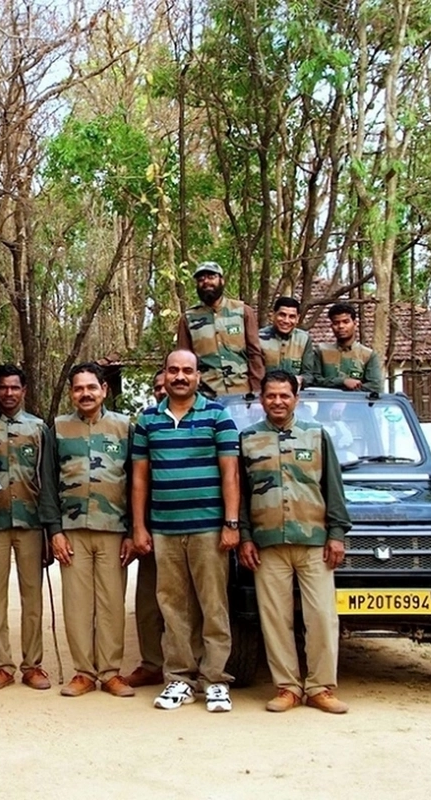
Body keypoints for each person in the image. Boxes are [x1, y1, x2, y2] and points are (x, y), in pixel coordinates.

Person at [132, 349, 241, 712]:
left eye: (187, 371)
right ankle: (179, 678)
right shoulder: (147, 420)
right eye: (173, 370)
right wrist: (139, 527)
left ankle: (215, 680)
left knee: (213, 604)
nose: (180, 376)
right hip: (164, 529)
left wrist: (231, 523)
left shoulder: (217, 416)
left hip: (209, 528)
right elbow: (140, 478)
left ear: (198, 376)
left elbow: (230, 473)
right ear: (164, 374)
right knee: (173, 606)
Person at [238, 370, 351, 714]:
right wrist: (244, 537)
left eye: (284, 395)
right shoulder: (247, 439)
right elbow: (240, 494)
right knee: (275, 619)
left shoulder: (317, 435)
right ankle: (287, 686)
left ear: (296, 399)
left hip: (314, 542)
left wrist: (336, 534)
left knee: (320, 616)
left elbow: (333, 487)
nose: (278, 401)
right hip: (267, 544)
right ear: (261, 400)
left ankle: (320, 687)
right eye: (271, 396)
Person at [44, 363, 135, 699]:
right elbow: (49, 483)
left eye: (91, 388)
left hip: (114, 529)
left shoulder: (124, 427)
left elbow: (137, 482)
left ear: (104, 390)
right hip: (72, 531)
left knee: (112, 603)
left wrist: (133, 531)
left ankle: (110, 672)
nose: (85, 394)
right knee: (78, 604)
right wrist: (54, 530)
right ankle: (83, 672)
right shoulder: (58, 428)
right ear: (72, 392)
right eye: (78, 388)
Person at [0, 364, 56, 691]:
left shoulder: (39, 428)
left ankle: (33, 665)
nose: (8, 393)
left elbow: (47, 481)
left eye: (14, 387)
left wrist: (49, 530)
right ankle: (2, 665)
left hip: (31, 524)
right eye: (3, 387)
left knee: (32, 599)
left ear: (24, 390)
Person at [124, 369, 168, 689]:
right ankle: (152, 663)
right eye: (157, 387)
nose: (162, 391)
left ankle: (192, 666)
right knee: (148, 603)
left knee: (187, 603)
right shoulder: (145, 424)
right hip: (151, 527)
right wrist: (136, 528)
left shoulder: (206, 416)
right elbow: (132, 479)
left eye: (166, 386)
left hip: (190, 527)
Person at [176, 262, 264, 397]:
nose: (206, 282)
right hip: (206, 396)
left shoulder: (243, 311)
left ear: (221, 280)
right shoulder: (188, 318)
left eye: (211, 277)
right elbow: (184, 360)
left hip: (242, 393)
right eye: (201, 279)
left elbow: (255, 354)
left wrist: (257, 391)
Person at [315, 302, 383, 393]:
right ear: (331, 326)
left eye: (346, 322)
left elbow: (375, 387)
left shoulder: (368, 355)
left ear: (355, 324)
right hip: (326, 405)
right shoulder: (321, 352)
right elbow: (314, 380)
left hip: (356, 406)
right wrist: (343, 382)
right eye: (336, 323)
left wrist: (349, 389)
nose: (341, 326)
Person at [259, 296, 317, 387]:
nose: (286, 321)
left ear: (297, 318)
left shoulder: (304, 339)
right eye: (282, 315)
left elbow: (309, 374)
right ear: (273, 315)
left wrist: (300, 380)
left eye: (292, 317)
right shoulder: (258, 338)